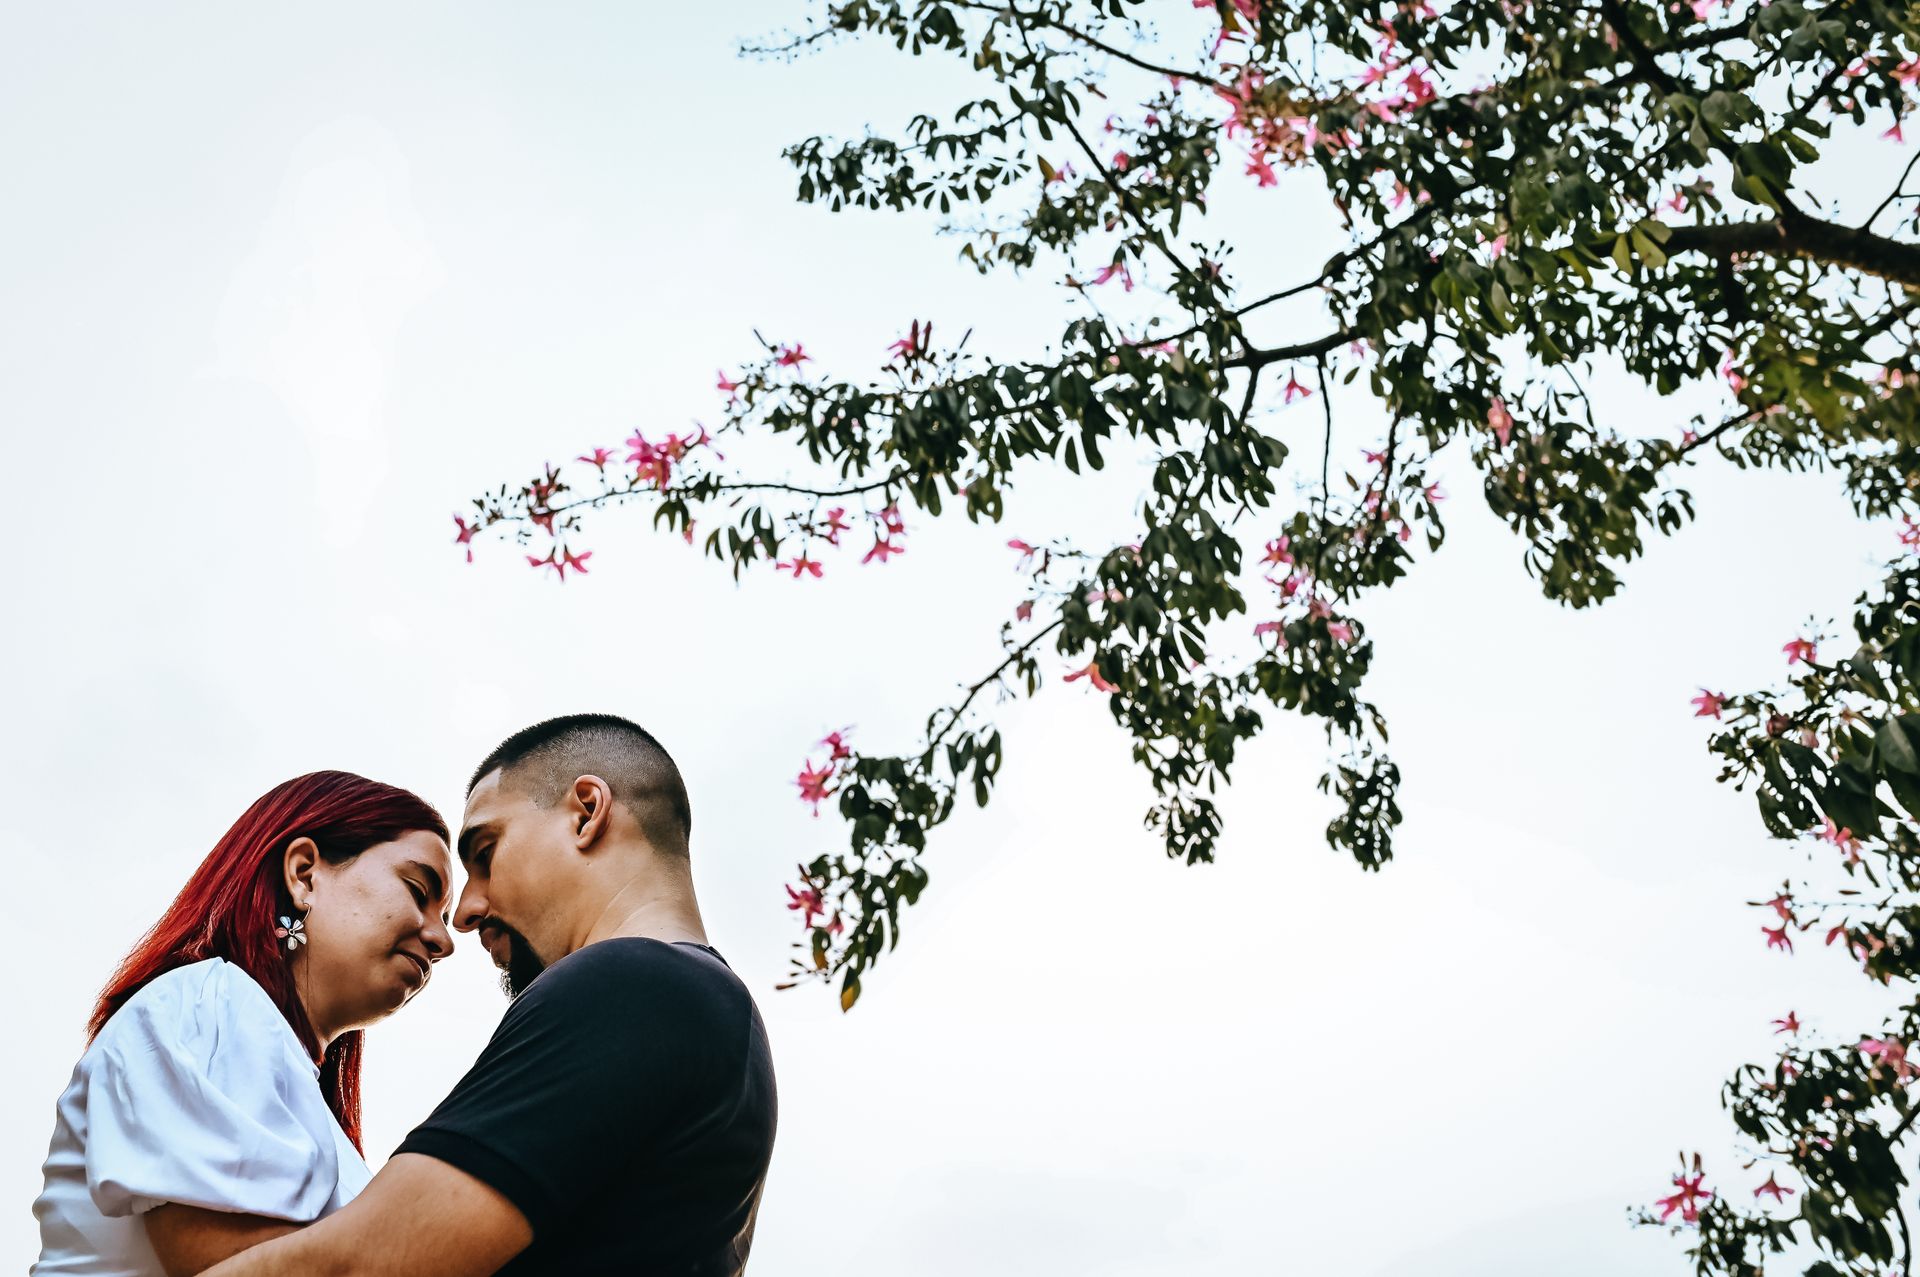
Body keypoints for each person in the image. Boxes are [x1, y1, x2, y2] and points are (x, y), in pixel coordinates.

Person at [204, 713, 779, 1277]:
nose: (465, 913)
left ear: (586, 813)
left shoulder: (635, 984)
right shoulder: (721, 1018)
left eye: (484, 853)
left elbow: (360, 1264)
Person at [33, 771, 456, 1277]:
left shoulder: (296, 1087)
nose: (442, 940)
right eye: (417, 890)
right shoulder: (209, 1003)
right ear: (304, 874)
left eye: (447, 918)